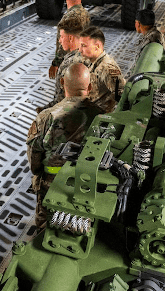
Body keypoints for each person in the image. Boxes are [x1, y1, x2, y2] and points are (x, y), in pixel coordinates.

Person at [26, 63, 102, 228]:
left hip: (51, 187)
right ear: (89, 87)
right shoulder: (102, 118)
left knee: (45, 230)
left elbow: (34, 161)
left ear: (62, 83)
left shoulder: (45, 117)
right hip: (87, 188)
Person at [40, 20, 89, 111]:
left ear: (70, 38)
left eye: (62, 37)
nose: (60, 40)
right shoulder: (86, 55)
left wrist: (44, 112)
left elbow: (62, 101)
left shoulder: (70, 65)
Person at [79, 26, 125, 113]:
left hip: (99, 117)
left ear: (97, 46)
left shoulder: (108, 68)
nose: (80, 50)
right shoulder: (91, 61)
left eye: (83, 46)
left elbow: (121, 98)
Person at [49, 0, 90, 79]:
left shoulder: (68, 18)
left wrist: (56, 63)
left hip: (69, 63)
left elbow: (65, 44)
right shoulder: (86, 14)